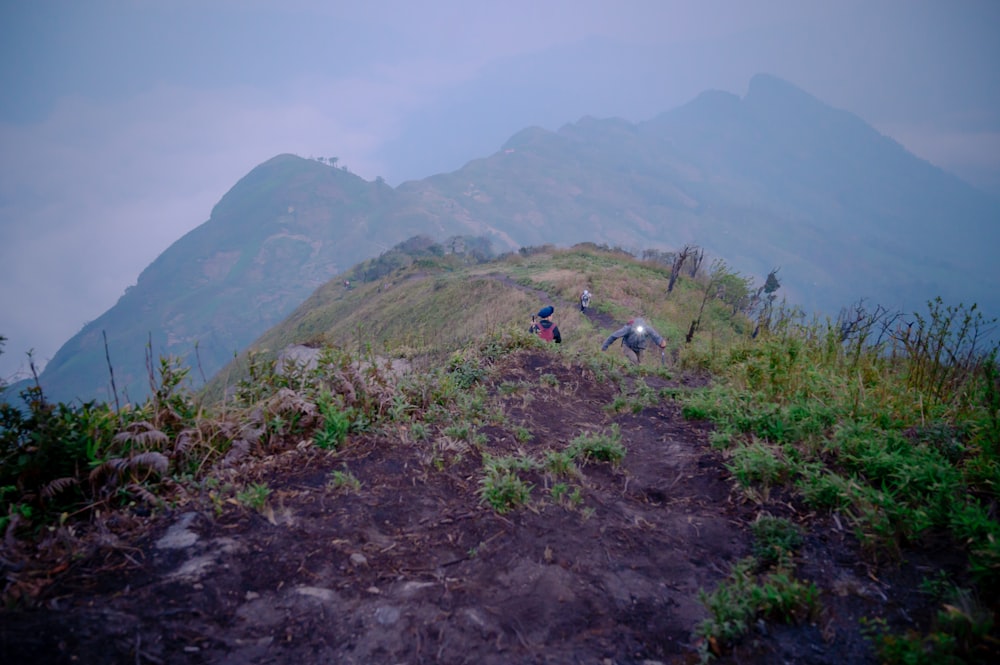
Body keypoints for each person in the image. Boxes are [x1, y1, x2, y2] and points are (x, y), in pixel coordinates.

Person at [601, 316, 665, 365]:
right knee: (634, 360)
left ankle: (635, 378)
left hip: (640, 348)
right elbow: (614, 336)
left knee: (638, 364)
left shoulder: (647, 329)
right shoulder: (628, 328)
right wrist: (604, 347)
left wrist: (661, 342)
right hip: (628, 346)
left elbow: (655, 336)